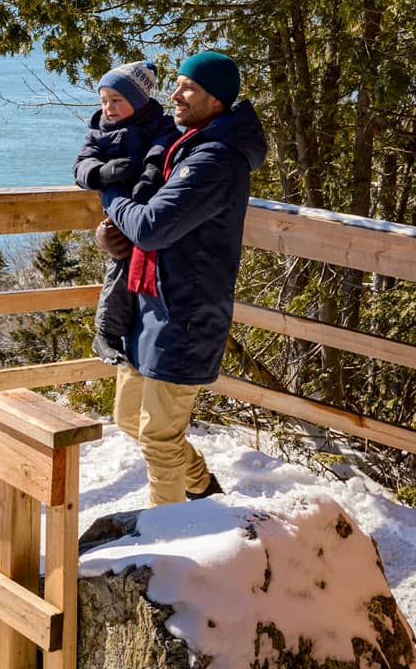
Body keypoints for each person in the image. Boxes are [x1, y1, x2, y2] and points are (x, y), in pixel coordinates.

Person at [95, 50, 267, 506]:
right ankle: (203, 490)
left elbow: (152, 225)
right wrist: (117, 234)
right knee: (130, 418)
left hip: (187, 314)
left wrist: (110, 195)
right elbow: (149, 226)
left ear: (216, 99)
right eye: (178, 83)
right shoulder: (188, 143)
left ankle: (165, 545)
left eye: (188, 87)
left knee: (158, 436)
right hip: (151, 303)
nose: (175, 93)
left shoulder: (216, 159)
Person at [74, 60, 180, 366]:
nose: (108, 108)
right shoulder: (98, 132)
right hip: (120, 210)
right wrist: (101, 173)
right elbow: (81, 166)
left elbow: (164, 145)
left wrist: (151, 169)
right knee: (120, 264)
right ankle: (106, 332)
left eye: (117, 100)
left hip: (148, 206)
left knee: (142, 268)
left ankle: (126, 334)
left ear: (137, 100)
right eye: (104, 101)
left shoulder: (159, 125)